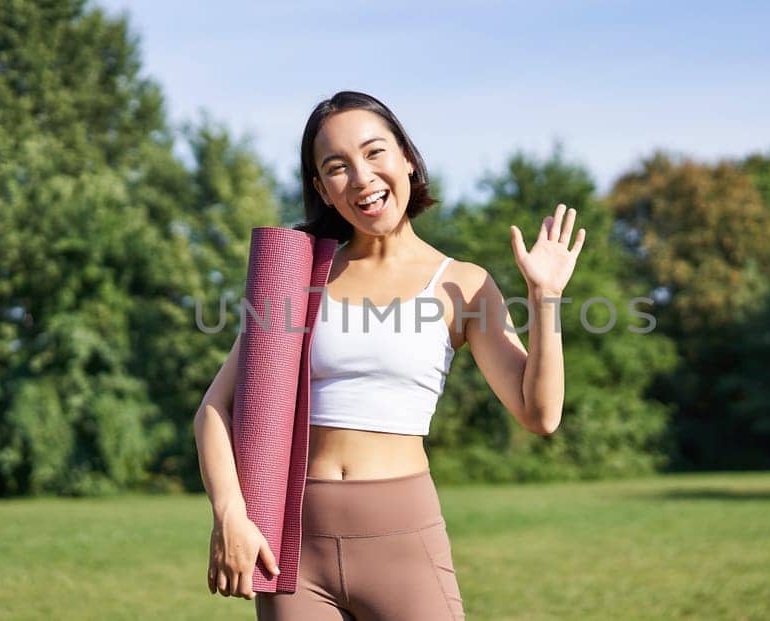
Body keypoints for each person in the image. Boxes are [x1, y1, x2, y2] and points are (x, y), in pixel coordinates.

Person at [193, 90, 585, 620]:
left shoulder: (463, 285)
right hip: (294, 548)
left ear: (407, 158)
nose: (361, 177)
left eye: (375, 153)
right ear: (322, 190)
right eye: (337, 167)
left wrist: (546, 297)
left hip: (403, 541)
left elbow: (539, 415)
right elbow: (216, 408)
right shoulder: (296, 276)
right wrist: (230, 514)